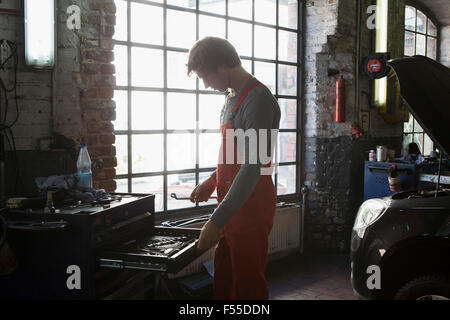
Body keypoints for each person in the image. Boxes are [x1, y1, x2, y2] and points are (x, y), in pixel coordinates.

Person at [186, 37, 281, 300]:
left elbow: (253, 166)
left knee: (248, 285)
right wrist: (212, 181)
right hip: (231, 205)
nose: (205, 83)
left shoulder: (258, 100)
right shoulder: (231, 99)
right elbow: (233, 155)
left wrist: (216, 220)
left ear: (221, 66)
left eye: (205, 75)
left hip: (251, 206)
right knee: (225, 278)